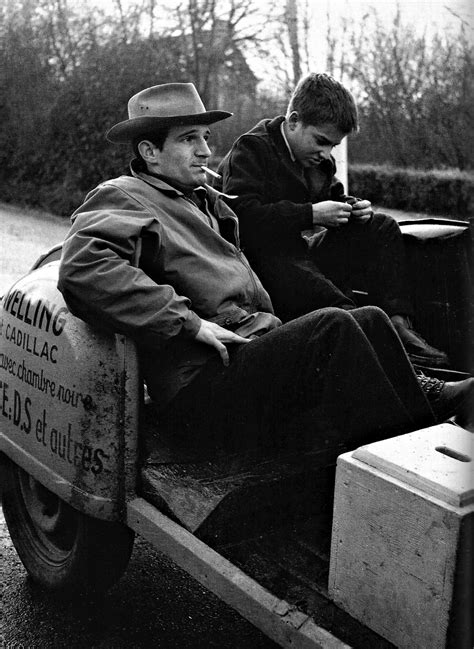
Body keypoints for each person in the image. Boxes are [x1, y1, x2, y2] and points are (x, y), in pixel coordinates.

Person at [57, 83, 473, 460]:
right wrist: (184, 321)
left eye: (204, 137)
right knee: (333, 327)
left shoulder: (201, 198)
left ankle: (424, 407)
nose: (205, 151)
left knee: (367, 318)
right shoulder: (124, 196)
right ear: (149, 151)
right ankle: (405, 462)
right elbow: (83, 268)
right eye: (188, 140)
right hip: (201, 386)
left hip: (248, 352)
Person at [217, 72, 449, 369]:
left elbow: (334, 198)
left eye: (332, 147)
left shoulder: (319, 161)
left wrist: (352, 209)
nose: (326, 154)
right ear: (294, 121)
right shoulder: (252, 149)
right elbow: (242, 218)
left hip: (302, 255)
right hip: (261, 267)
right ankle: (368, 338)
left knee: (382, 226)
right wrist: (311, 214)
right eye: (321, 142)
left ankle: (398, 325)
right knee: (324, 292)